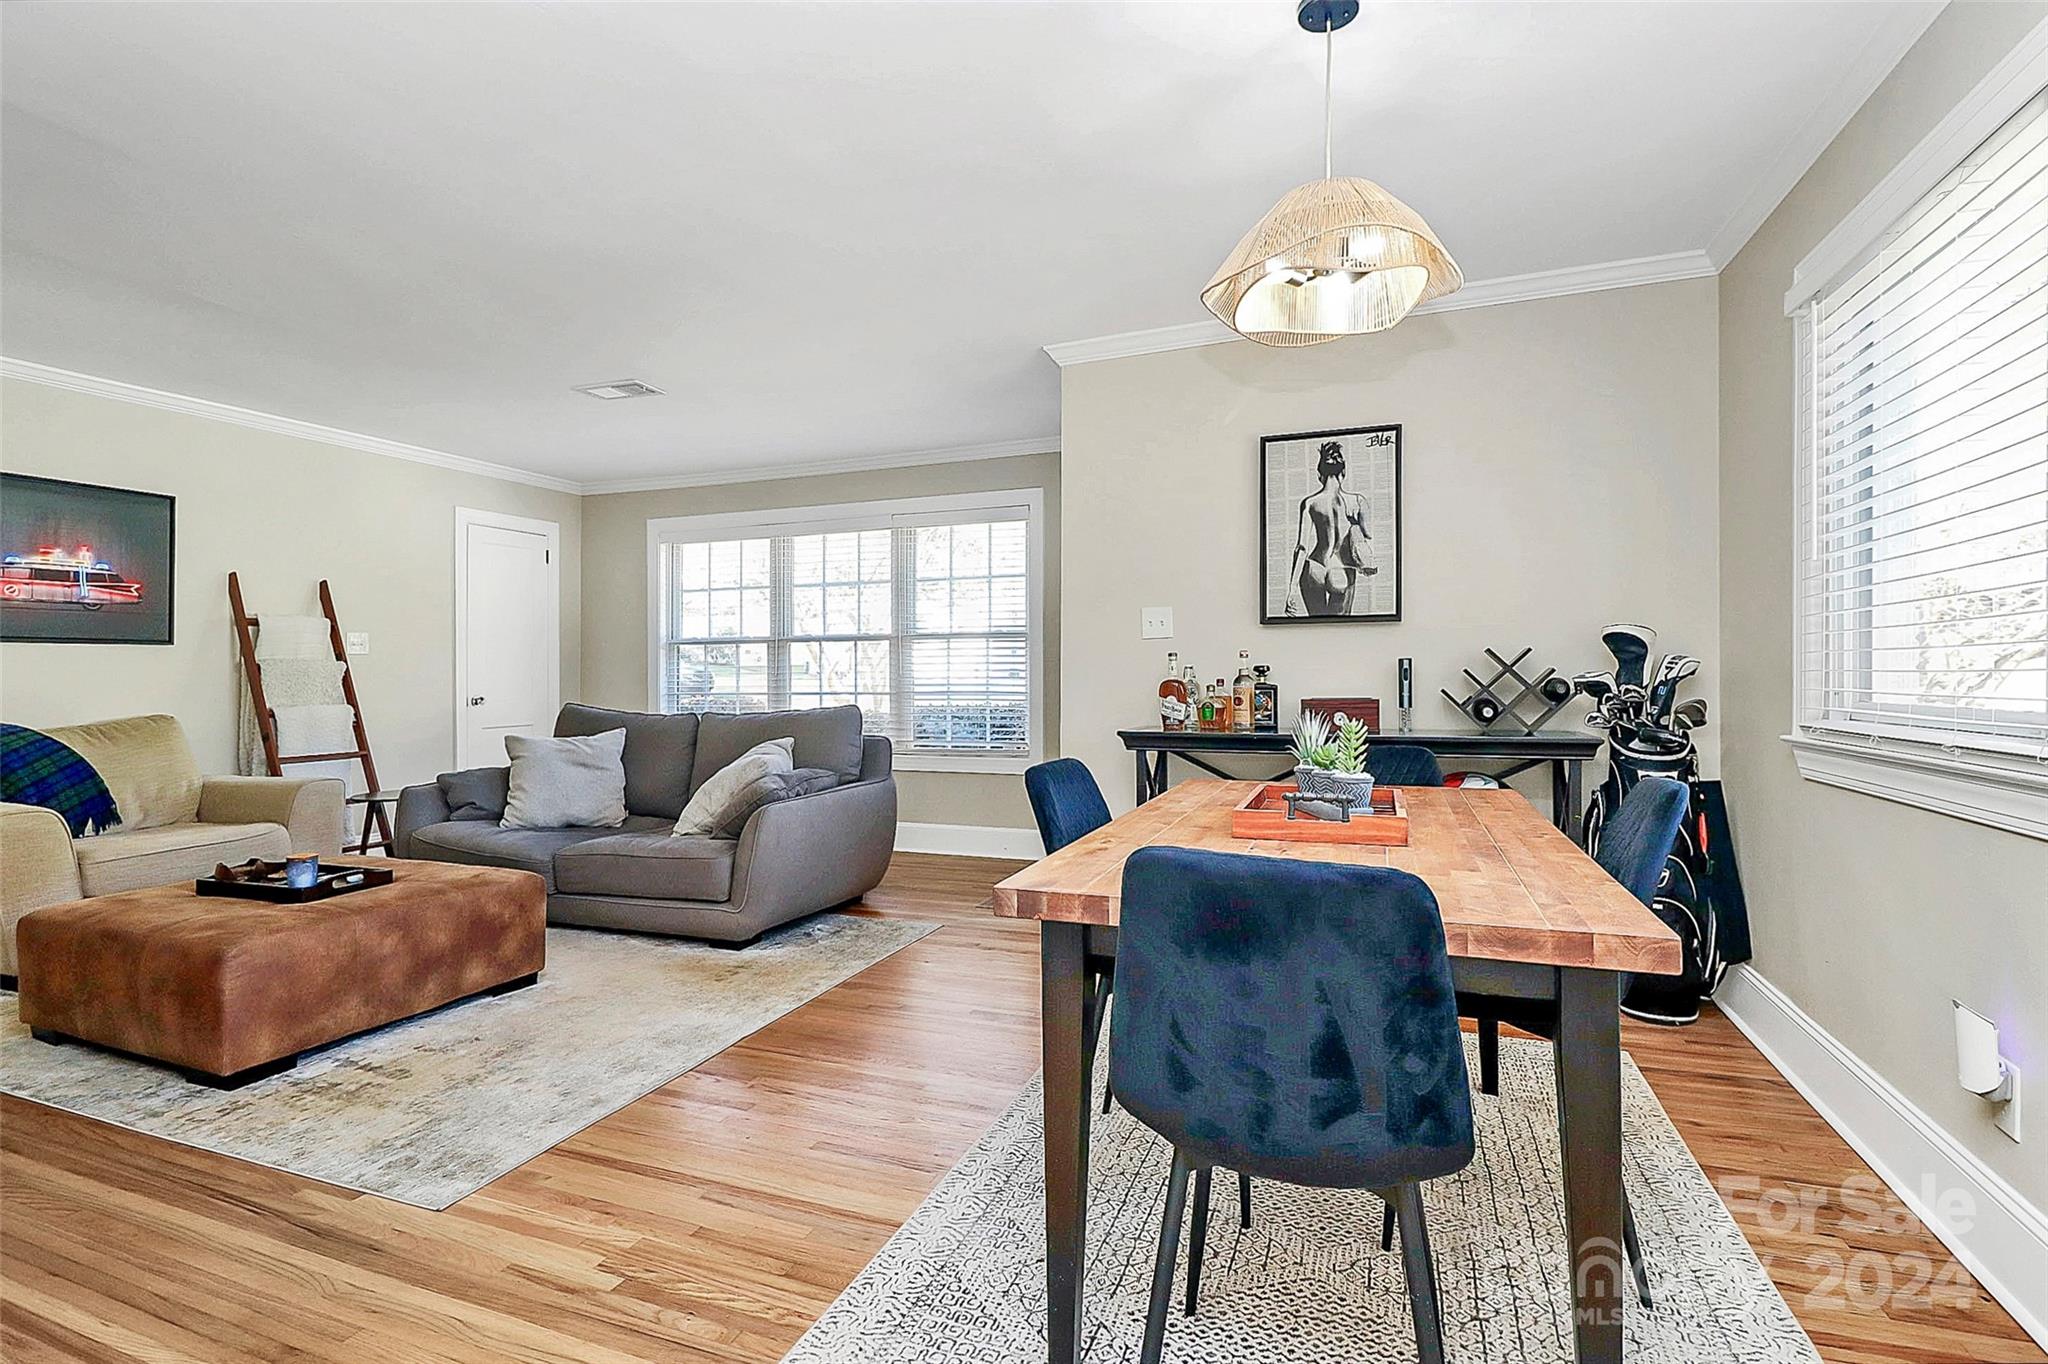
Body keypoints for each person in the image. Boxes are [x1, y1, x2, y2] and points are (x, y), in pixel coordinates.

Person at [1284, 439, 1375, 616]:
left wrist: (1292, 588)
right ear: (1344, 472)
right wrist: (1353, 523)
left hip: (1314, 569)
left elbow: (1301, 548)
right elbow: (1368, 535)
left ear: (1319, 475)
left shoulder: (1309, 503)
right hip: (1341, 569)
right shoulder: (1357, 501)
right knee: (1339, 630)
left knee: (1316, 627)